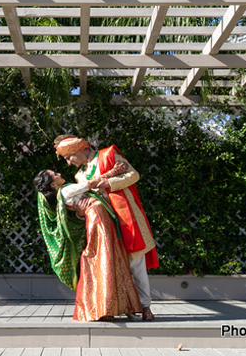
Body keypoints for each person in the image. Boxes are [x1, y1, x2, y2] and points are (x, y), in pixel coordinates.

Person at [54, 135, 158, 321]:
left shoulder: (108, 155)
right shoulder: (79, 175)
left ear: (77, 150)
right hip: (102, 225)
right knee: (112, 264)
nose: (69, 163)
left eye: (69, 158)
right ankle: (122, 305)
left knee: (136, 263)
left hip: (125, 216)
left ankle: (145, 306)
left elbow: (133, 175)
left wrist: (109, 182)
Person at [33, 169, 141, 321]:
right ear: (52, 184)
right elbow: (92, 183)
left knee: (110, 257)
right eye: (55, 175)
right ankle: (105, 308)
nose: (59, 173)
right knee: (106, 258)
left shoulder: (63, 195)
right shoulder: (65, 191)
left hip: (99, 217)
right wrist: (115, 171)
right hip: (98, 218)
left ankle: (116, 305)